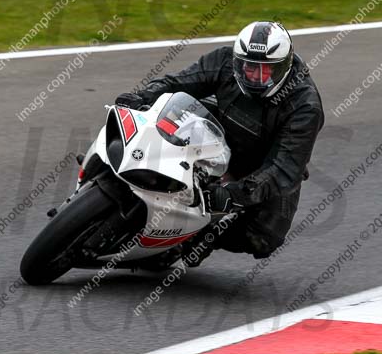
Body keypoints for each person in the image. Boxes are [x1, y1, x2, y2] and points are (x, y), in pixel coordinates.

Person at [115, 21, 324, 264]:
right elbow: (181, 81)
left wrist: (232, 194)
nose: (256, 77)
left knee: (267, 236)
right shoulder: (224, 60)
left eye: (265, 70)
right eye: (249, 67)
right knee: (147, 114)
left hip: (262, 163)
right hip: (216, 128)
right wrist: (144, 95)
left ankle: (204, 236)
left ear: (283, 67)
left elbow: (285, 168)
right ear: (238, 61)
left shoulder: (305, 106)